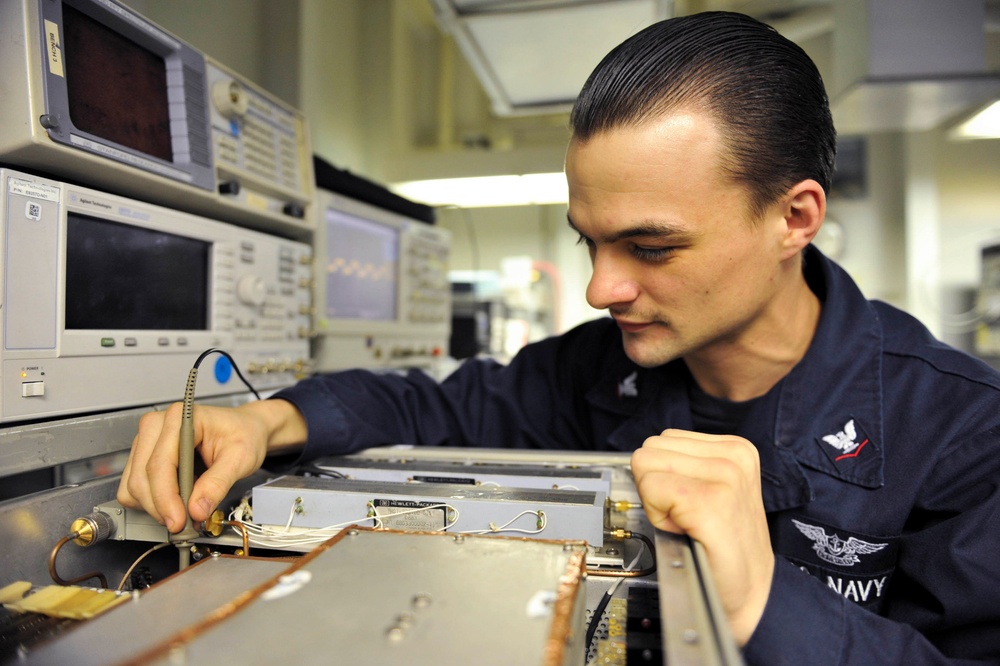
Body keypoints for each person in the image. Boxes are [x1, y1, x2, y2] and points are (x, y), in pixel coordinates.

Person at [118, 11, 1000, 664]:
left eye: (651, 247)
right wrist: (270, 422)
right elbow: (436, 404)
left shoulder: (963, 433)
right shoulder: (597, 368)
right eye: (592, 241)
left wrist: (767, 599)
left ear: (793, 217)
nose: (601, 288)